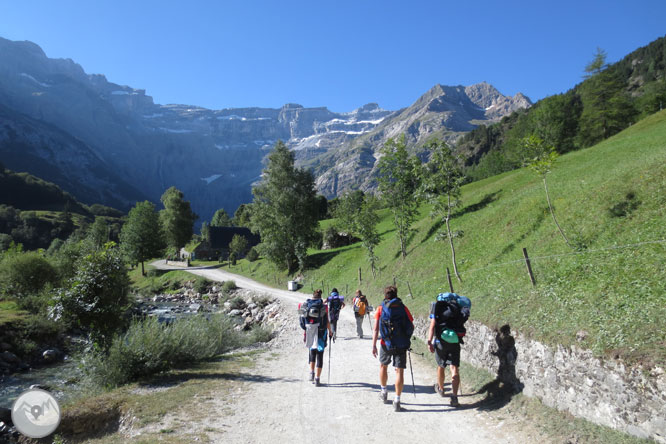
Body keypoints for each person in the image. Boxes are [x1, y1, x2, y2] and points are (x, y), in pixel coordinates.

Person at [372, 285, 414, 412]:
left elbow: (376, 328)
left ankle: (384, 391)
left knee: (383, 366)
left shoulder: (381, 308)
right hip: (401, 343)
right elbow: (411, 323)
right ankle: (397, 400)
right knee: (399, 371)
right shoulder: (403, 307)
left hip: (386, 343)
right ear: (396, 294)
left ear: (385, 295)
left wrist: (374, 344)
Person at [427, 293, 470, 407]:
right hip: (455, 341)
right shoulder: (457, 309)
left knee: (441, 365)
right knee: (454, 368)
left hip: (441, 341)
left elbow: (432, 326)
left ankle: (441, 389)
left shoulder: (438, 309)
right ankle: (454, 397)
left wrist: (429, 341)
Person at [299, 289, 334, 386]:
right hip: (321, 332)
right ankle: (317, 379)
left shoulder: (306, 304)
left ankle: (311, 373)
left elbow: (301, 319)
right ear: (320, 297)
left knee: (312, 353)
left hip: (310, 332)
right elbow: (327, 321)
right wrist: (330, 331)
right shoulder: (323, 306)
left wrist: (305, 331)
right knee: (320, 355)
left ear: (313, 296)